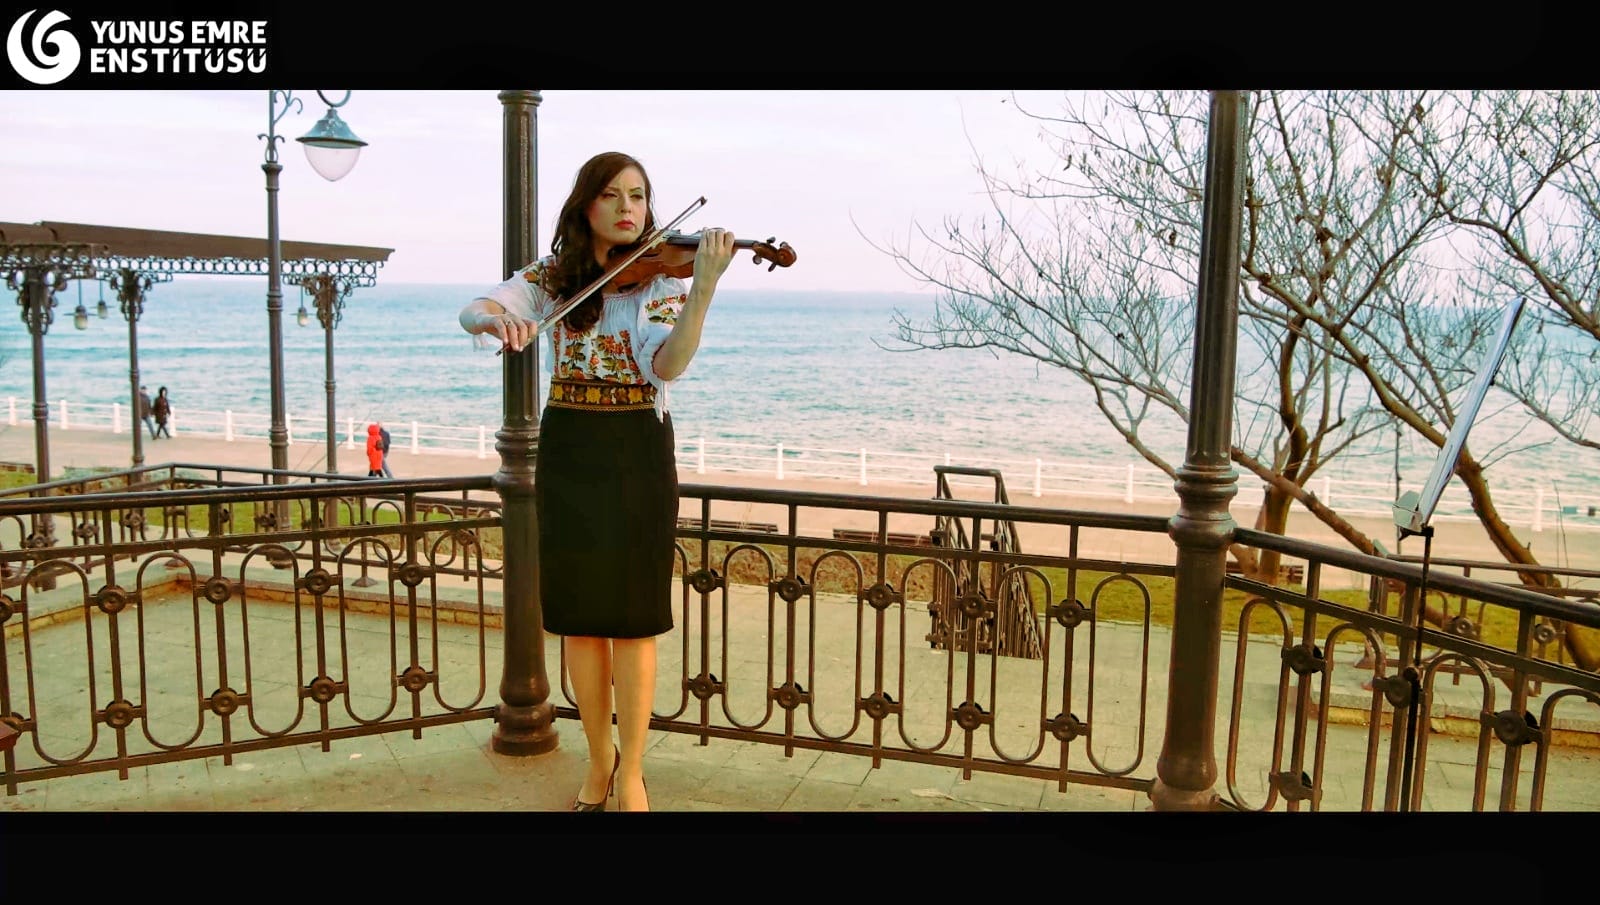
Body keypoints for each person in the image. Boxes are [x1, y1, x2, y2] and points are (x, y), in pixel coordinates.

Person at [458, 151, 734, 812]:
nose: (627, 208)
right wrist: (495, 320)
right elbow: (474, 310)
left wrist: (702, 289)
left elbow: (666, 365)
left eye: (637, 195)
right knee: (581, 622)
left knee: (634, 622)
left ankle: (631, 771)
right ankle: (599, 758)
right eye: (611, 195)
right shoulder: (555, 276)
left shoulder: (661, 278)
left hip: (637, 450)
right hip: (571, 450)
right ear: (586, 205)